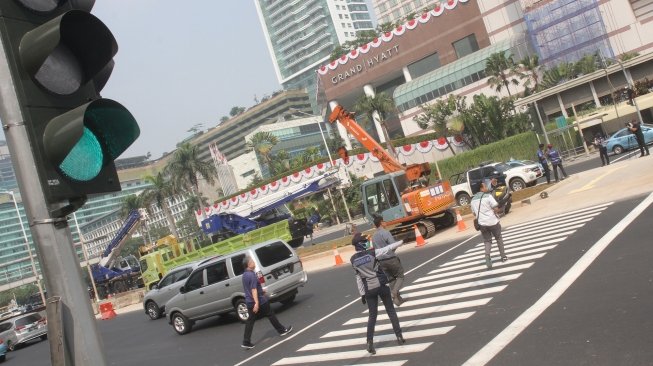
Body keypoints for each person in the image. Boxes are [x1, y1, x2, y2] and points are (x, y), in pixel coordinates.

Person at [351, 236, 405, 354]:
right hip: (381, 286)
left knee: (372, 316)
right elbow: (387, 248)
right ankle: (399, 336)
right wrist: (400, 242)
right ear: (359, 244)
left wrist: (362, 294)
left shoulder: (353, 259)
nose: (366, 242)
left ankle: (369, 342)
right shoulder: (372, 253)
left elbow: (358, 279)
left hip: (369, 290)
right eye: (364, 241)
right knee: (391, 311)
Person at [241, 256, 292, 349]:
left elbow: (250, 288)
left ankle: (246, 341)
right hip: (259, 300)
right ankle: (282, 330)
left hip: (249, 301)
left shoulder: (244, 275)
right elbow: (253, 289)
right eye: (252, 261)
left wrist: (261, 291)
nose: (254, 262)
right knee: (270, 314)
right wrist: (256, 303)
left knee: (250, 321)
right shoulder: (251, 275)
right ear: (249, 264)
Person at [471, 180, 508, 270]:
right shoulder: (488, 196)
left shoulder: (472, 200)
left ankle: (487, 255)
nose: (486, 187)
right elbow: (496, 209)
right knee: (498, 238)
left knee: (487, 241)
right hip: (492, 222)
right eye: (484, 186)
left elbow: (474, 213)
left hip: (482, 224)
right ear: (481, 188)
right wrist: (501, 209)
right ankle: (503, 257)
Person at [371, 215, 405, 307]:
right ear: (381, 223)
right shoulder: (386, 232)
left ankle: (398, 299)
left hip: (381, 261)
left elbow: (374, 249)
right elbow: (393, 245)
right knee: (400, 276)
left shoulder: (373, 236)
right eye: (384, 221)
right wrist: (392, 252)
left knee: (391, 279)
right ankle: (394, 292)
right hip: (390, 258)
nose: (385, 223)